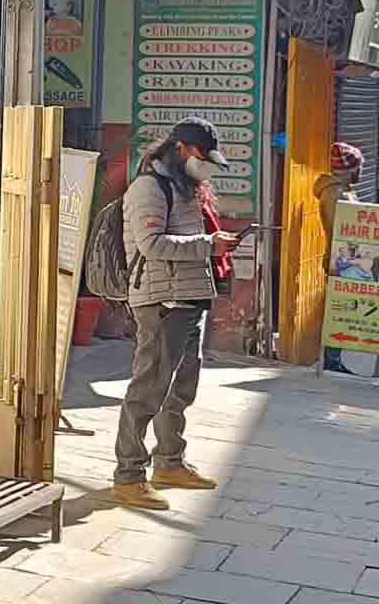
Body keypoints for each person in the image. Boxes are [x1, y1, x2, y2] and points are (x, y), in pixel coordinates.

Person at [111, 117, 236, 511]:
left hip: (189, 298)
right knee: (148, 389)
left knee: (180, 388)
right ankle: (129, 475)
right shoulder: (150, 187)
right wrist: (207, 245)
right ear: (180, 148)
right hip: (161, 301)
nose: (207, 165)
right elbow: (151, 244)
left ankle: (169, 462)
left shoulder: (186, 187)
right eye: (202, 156)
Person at [317, 143, 365, 374]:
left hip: (345, 262)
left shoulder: (342, 192)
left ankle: (334, 357)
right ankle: (331, 359)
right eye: (359, 167)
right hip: (341, 262)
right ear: (350, 169)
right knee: (339, 310)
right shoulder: (337, 194)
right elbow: (342, 232)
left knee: (342, 311)